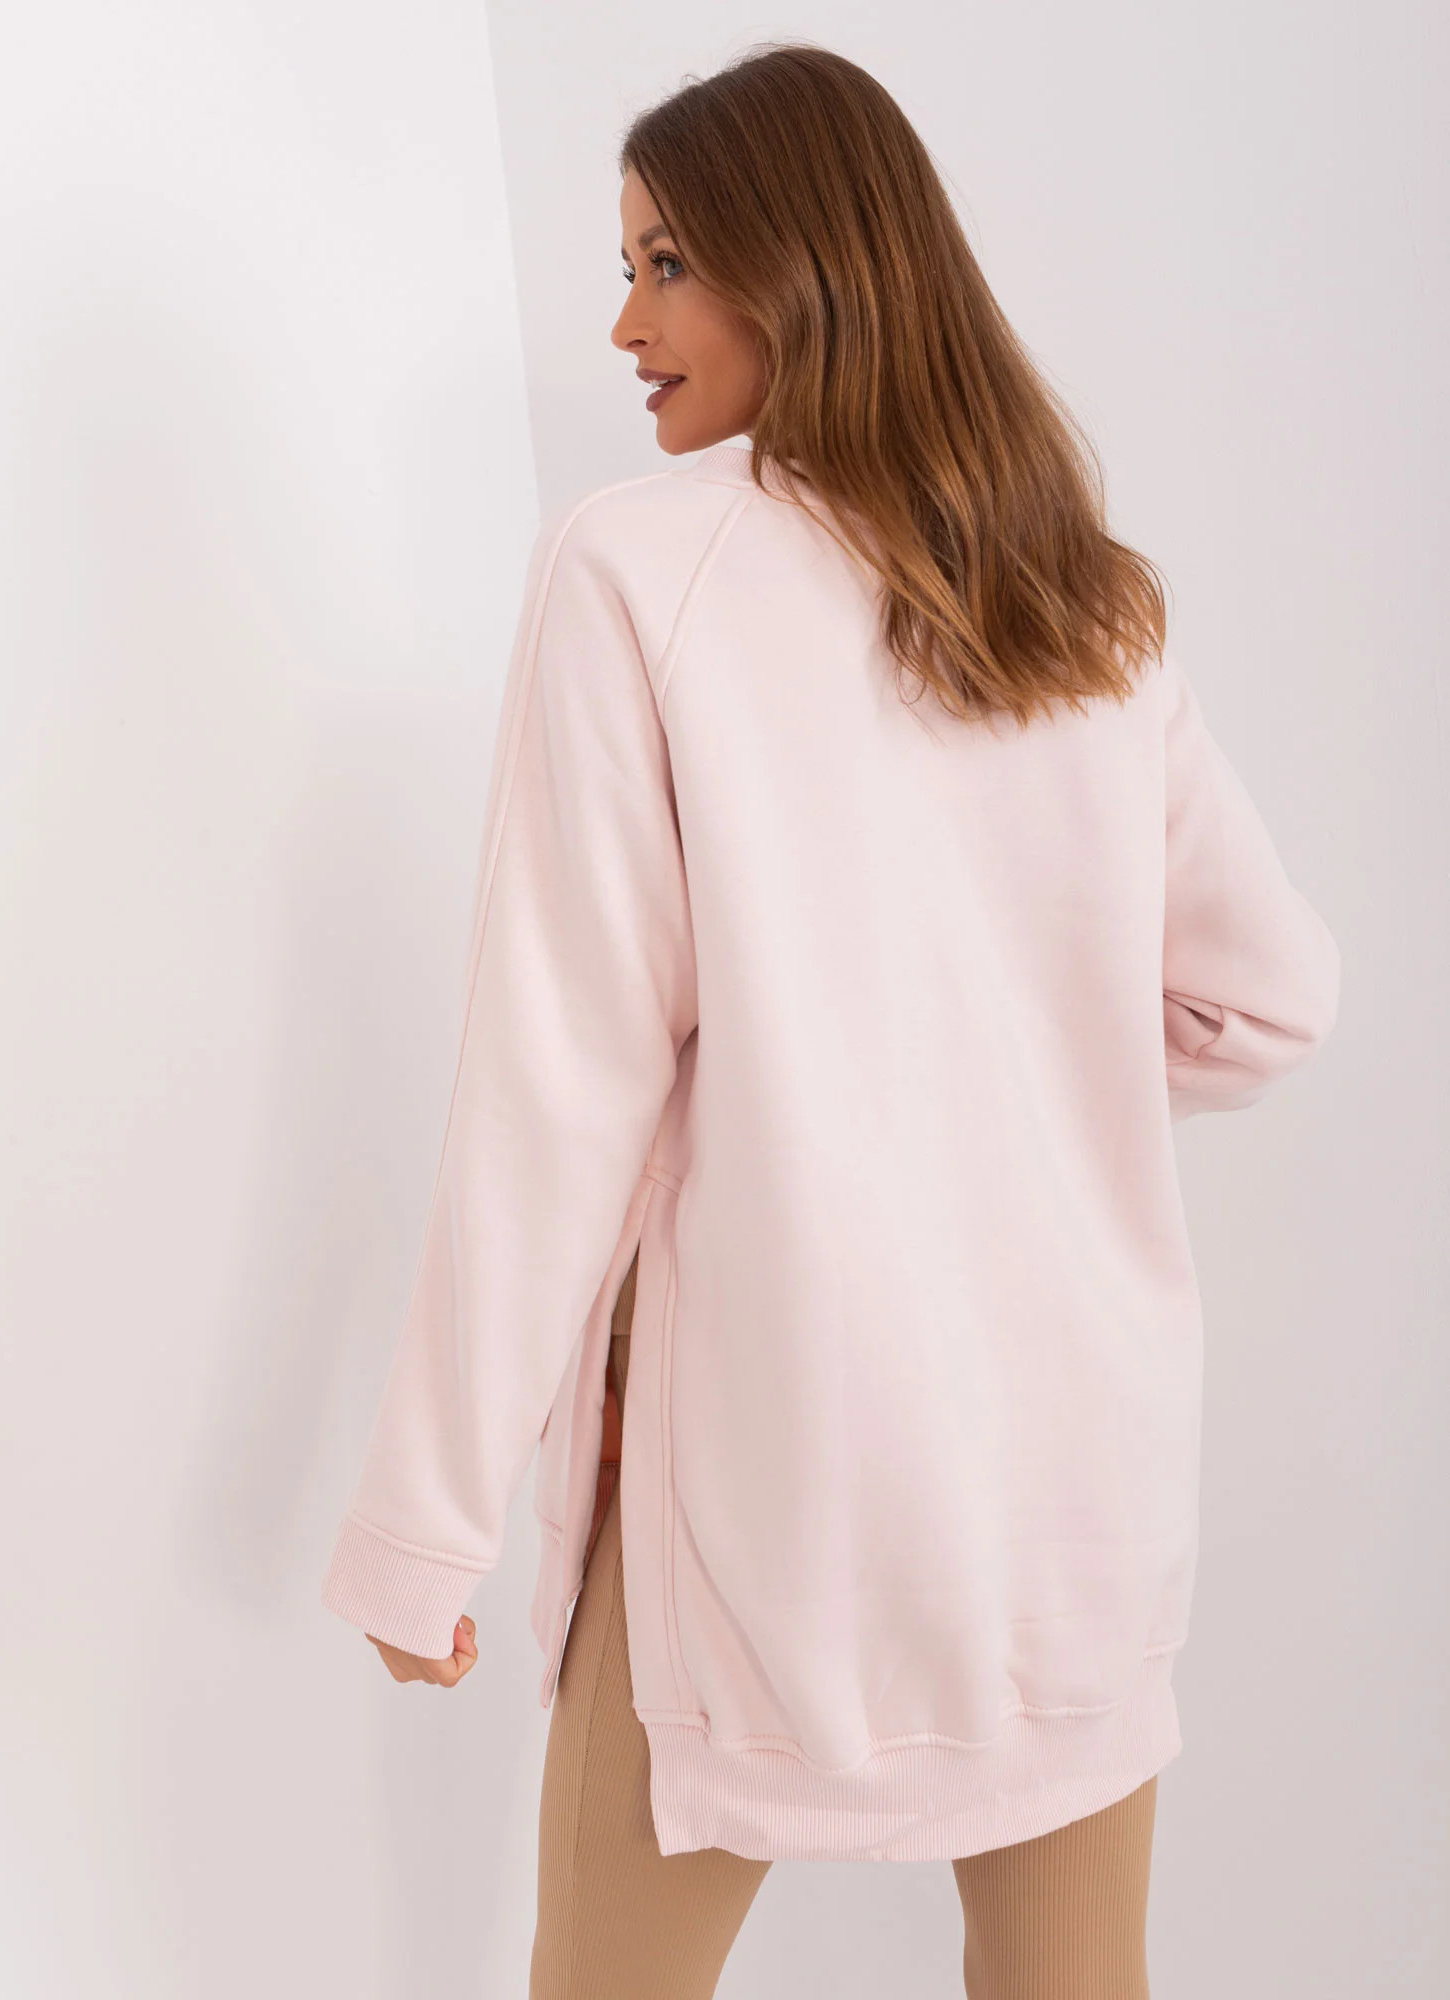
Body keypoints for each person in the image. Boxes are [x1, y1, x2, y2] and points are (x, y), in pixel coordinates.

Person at [320, 41, 1342, 1999]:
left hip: (770, 1466)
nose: (624, 325)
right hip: (1078, 1475)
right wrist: (1003, 1075)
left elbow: (559, 1089)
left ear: (808, 265)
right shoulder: (1089, 605)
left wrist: (423, 1525)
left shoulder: (640, 570)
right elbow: (1266, 999)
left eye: (668, 263)